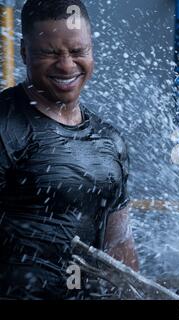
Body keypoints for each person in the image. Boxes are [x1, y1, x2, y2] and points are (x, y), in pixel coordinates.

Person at [0, 0, 138, 299]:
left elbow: (120, 246)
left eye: (77, 52)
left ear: (91, 51)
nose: (66, 65)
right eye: (50, 53)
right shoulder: (5, 128)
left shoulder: (109, 140)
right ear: (24, 52)